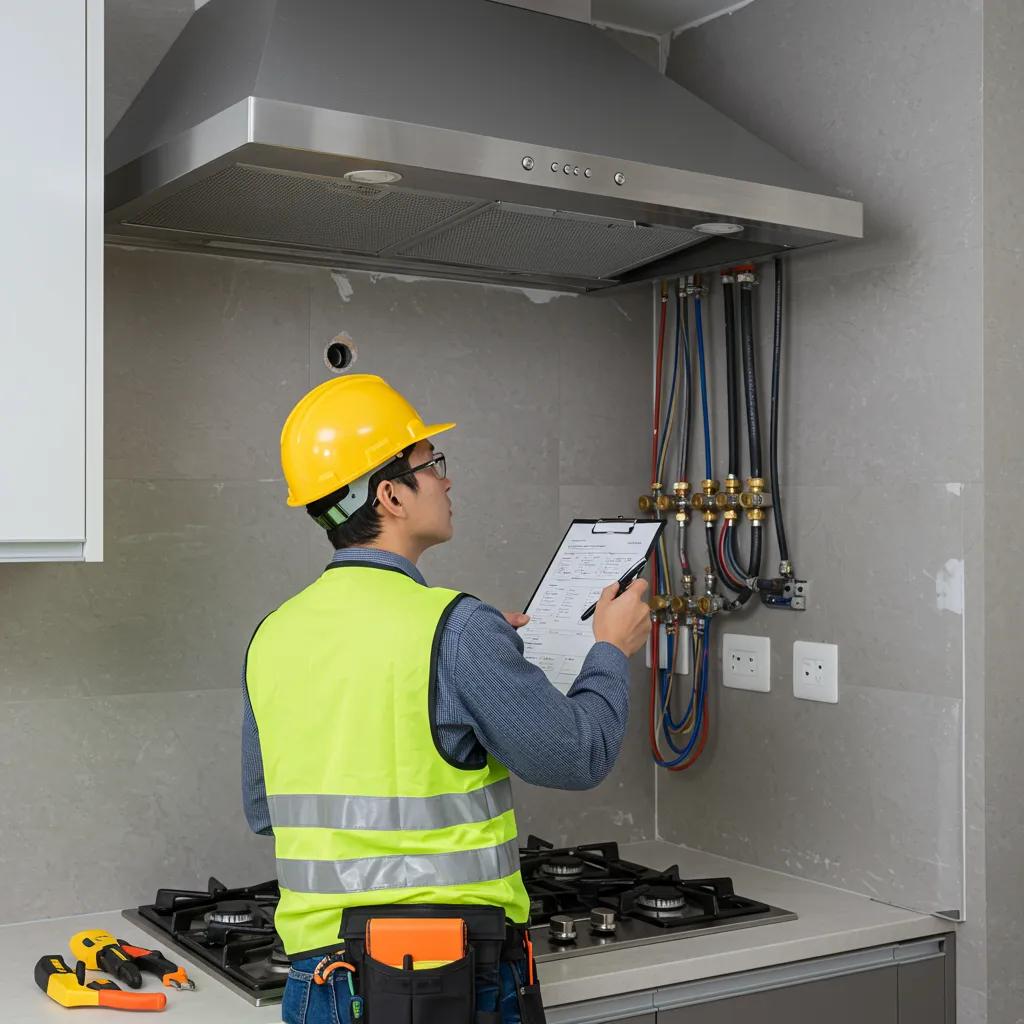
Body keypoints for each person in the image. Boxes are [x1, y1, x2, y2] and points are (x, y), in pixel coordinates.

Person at [242, 374, 650, 1024]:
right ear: (389, 495)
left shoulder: (274, 633)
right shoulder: (456, 629)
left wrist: (477, 665)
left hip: (321, 984)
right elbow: (579, 756)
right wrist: (609, 648)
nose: (446, 479)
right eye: (431, 464)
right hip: (451, 982)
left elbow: (267, 810)